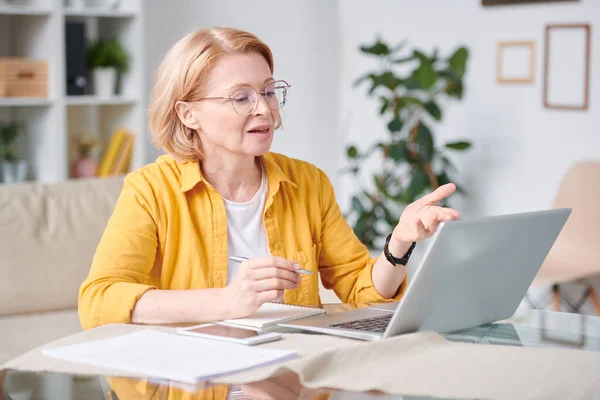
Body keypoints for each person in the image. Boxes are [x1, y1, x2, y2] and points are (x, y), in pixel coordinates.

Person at [78, 27, 460, 330]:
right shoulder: (150, 190)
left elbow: (363, 291)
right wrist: (227, 300)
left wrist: (399, 243)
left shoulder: (307, 182)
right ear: (188, 113)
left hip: (291, 374)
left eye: (268, 91)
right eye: (240, 97)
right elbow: (100, 298)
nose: (264, 109)